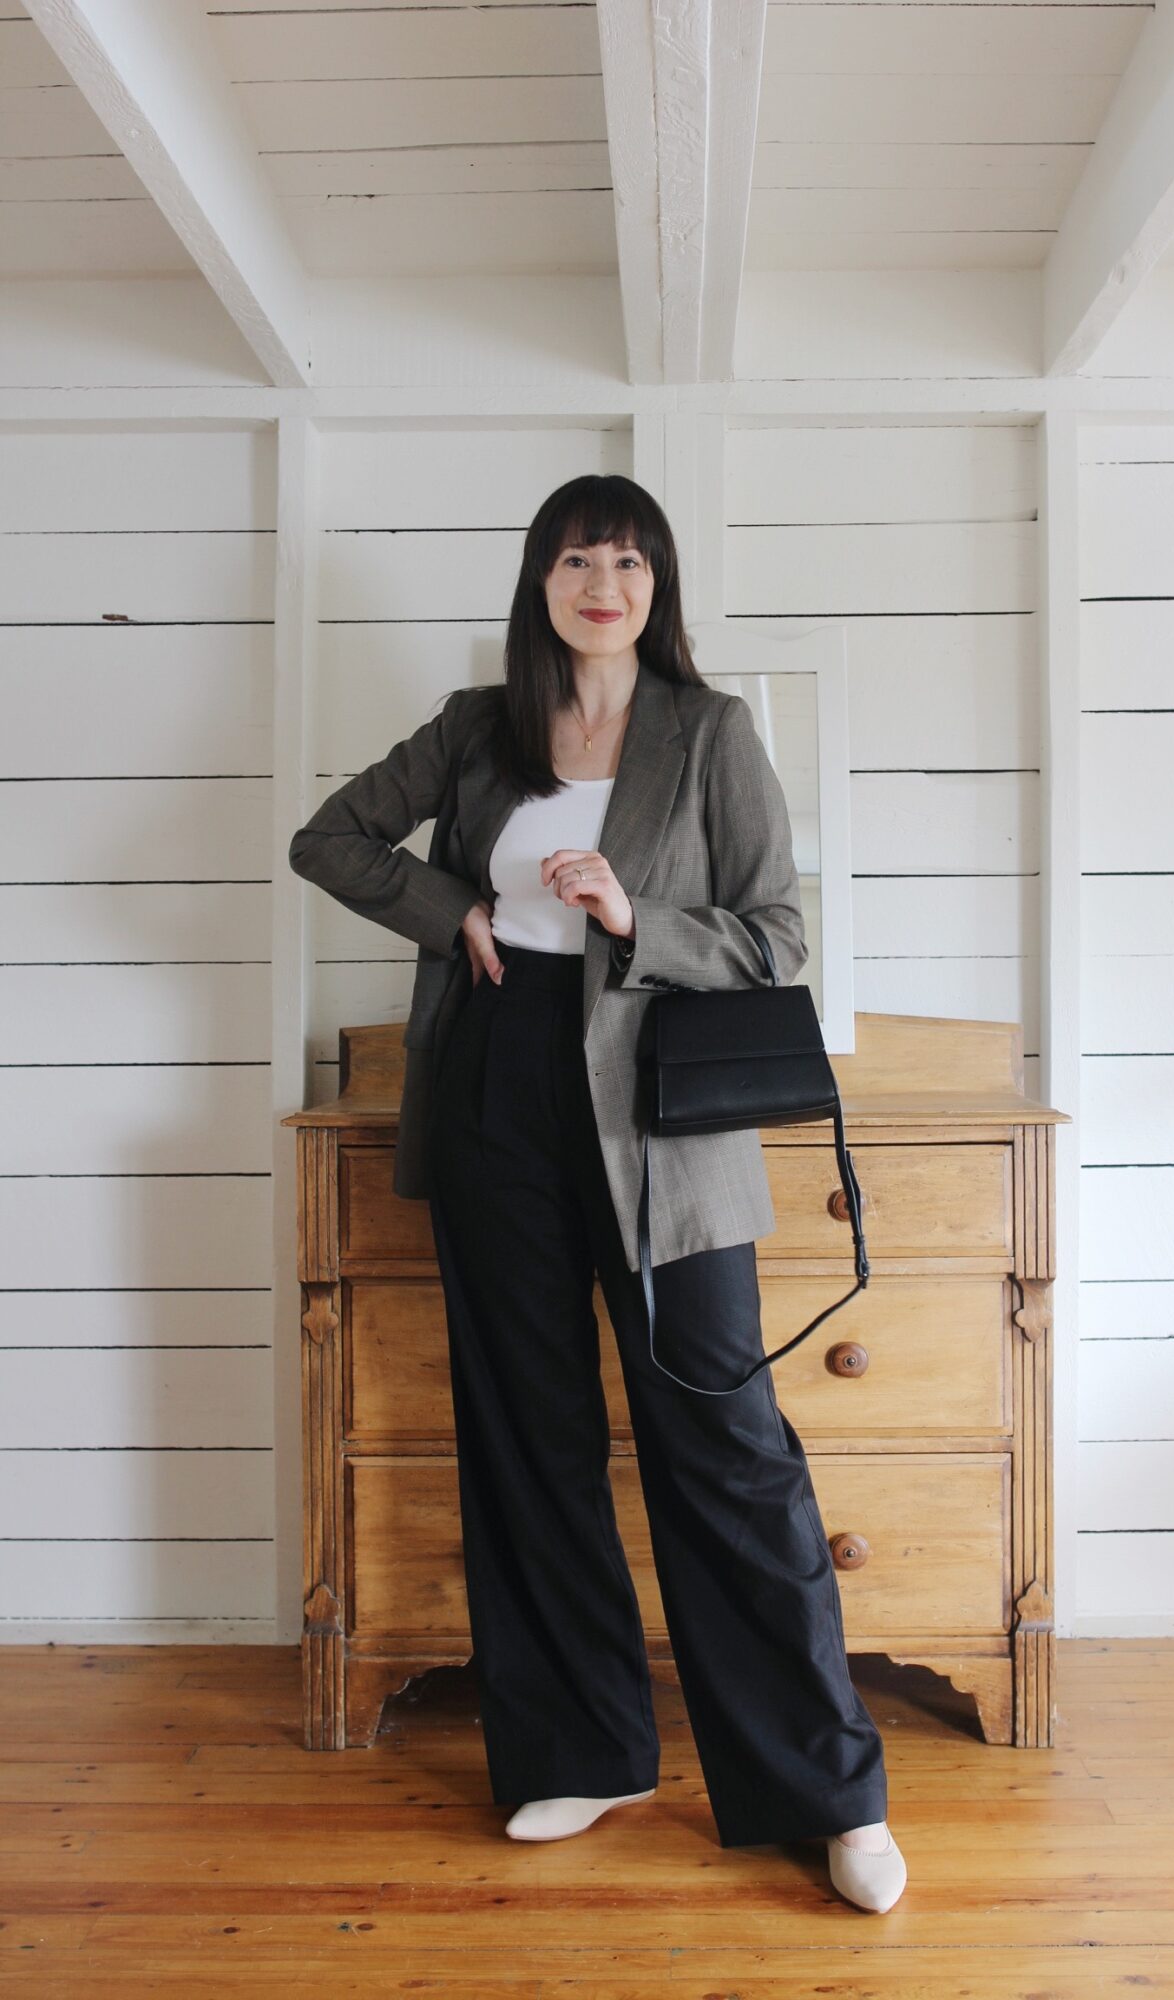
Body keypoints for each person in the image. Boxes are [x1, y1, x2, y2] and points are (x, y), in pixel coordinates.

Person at [288, 473, 906, 1915]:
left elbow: (775, 939)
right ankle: (582, 1748)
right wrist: (459, 914)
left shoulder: (710, 733)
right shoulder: (477, 726)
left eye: (628, 560)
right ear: (542, 580)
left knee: (723, 1442)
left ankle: (828, 1791)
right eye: (577, 558)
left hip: (665, 1123)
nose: (602, 583)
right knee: (529, 1434)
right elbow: (330, 839)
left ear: (657, 584)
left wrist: (637, 919)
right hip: (499, 1097)